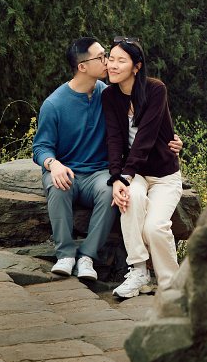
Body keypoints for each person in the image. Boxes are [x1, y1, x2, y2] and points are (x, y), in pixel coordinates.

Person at [32, 38, 182, 279]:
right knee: (59, 187)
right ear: (83, 67)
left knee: (110, 191)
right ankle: (66, 255)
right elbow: (40, 147)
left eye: (111, 57)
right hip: (66, 170)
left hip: (100, 172)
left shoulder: (108, 93)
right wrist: (54, 164)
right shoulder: (54, 104)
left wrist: (170, 139)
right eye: (103, 57)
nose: (108, 63)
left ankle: (88, 257)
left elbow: (143, 128)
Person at [102, 37, 183, 300]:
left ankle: (171, 285)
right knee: (130, 197)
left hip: (163, 175)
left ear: (136, 66)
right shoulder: (109, 95)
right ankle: (138, 271)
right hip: (133, 172)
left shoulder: (155, 90)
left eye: (120, 61)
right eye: (110, 59)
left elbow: (146, 138)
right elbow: (113, 139)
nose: (112, 65)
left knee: (155, 228)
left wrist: (123, 175)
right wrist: (119, 178)